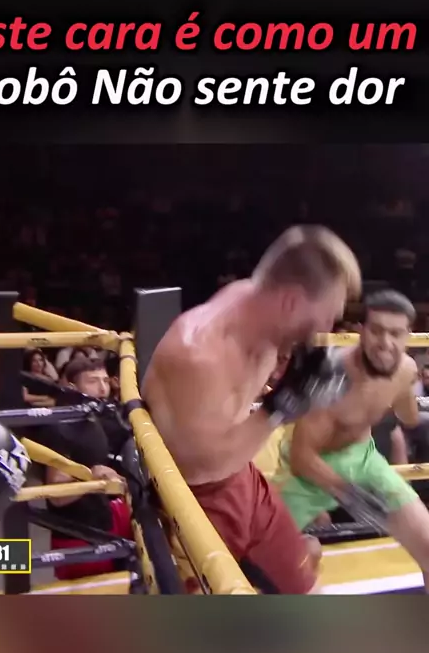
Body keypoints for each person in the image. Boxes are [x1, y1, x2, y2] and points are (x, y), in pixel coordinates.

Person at [142, 225, 362, 594]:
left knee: (308, 592)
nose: (326, 329)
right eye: (326, 316)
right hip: (195, 502)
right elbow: (207, 464)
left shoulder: (258, 306)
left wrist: (294, 384)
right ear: (291, 302)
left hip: (244, 479)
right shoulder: (199, 354)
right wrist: (283, 404)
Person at [274, 290, 429, 591]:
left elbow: (407, 415)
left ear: (408, 336)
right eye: (377, 331)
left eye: (396, 333)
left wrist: (416, 416)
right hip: (306, 474)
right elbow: (302, 458)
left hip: (364, 458)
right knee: (261, 565)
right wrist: (352, 496)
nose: (385, 343)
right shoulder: (330, 377)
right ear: (361, 331)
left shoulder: (406, 369)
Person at [38, 356, 131, 581]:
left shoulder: (93, 418)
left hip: (104, 522)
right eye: (92, 381)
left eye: (105, 381)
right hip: (77, 533)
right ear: (72, 387)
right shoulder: (59, 427)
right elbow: (57, 496)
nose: (102, 388)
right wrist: (92, 478)